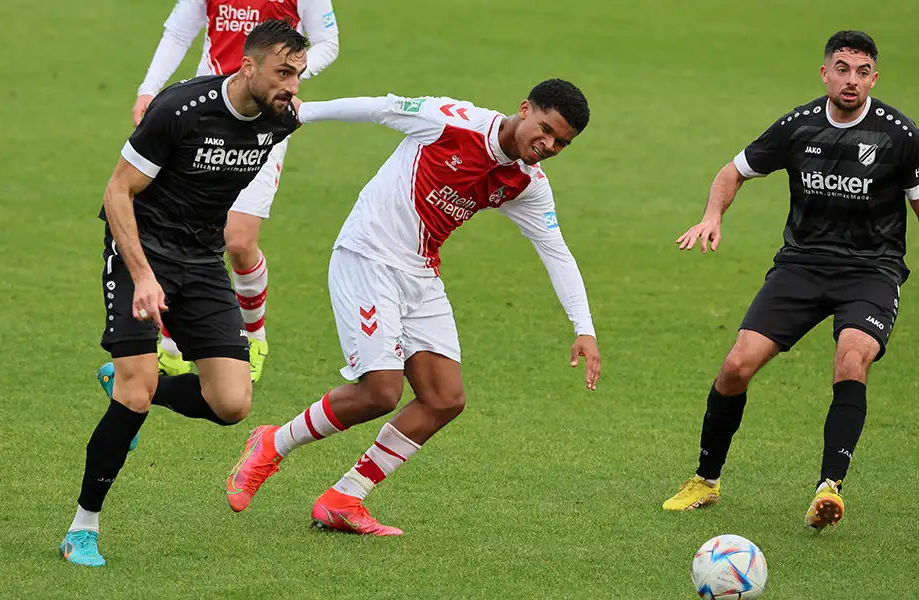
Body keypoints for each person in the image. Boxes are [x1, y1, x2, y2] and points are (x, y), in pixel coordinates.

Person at [224, 80, 602, 535]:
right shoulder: (450, 121)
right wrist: (304, 113)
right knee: (381, 391)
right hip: (368, 258)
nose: (549, 146)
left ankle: (344, 498)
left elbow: (555, 249)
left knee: (445, 399)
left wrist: (584, 327)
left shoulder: (526, 183)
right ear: (524, 109)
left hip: (421, 274)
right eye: (545, 130)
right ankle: (271, 443)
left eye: (562, 143)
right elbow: (380, 108)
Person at [60, 20, 306, 567]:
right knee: (136, 390)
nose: (293, 86)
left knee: (232, 404)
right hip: (140, 250)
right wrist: (144, 275)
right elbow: (117, 190)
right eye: (283, 72)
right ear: (247, 65)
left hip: (200, 259)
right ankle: (83, 528)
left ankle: (134, 386)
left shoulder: (280, 121)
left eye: (299, 74)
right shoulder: (179, 110)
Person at [663, 30, 919, 529]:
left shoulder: (899, 135)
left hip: (872, 270)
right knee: (736, 366)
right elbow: (732, 171)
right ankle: (705, 481)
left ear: (874, 78)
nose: (851, 80)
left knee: (852, 357)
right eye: (842, 69)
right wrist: (712, 215)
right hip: (801, 265)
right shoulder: (799, 126)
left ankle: (829, 488)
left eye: (862, 72)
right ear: (825, 72)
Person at [134, 0, 341, 382]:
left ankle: (254, 337)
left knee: (239, 242)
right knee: (181, 225)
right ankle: (172, 344)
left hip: (263, 116)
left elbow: (328, 41)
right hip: (206, 112)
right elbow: (180, 31)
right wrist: (149, 89)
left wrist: (283, 77)